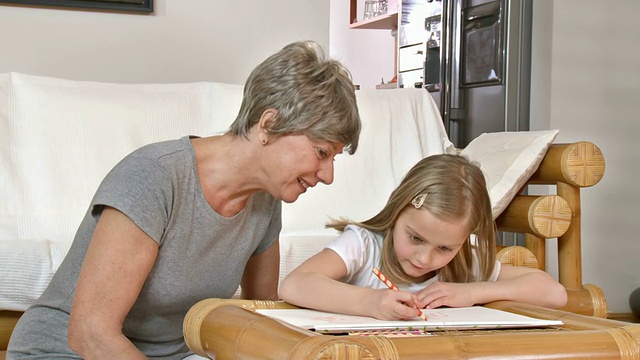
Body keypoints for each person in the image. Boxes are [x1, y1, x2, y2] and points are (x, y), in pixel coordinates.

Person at [7, 41, 361, 360]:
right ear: (268, 124)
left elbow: (259, 316)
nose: (328, 175)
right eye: (321, 152)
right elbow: (91, 335)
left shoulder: (265, 202)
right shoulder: (154, 177)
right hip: (66, 352)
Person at [280, 154, 567, 321]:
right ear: (398, 209)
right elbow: (296, 284)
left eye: (444, 247)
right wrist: (370, 302)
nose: (424, 258)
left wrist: (473, 292)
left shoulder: (464, 264)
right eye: (415, 238)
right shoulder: (364, 246)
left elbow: (554, 293)